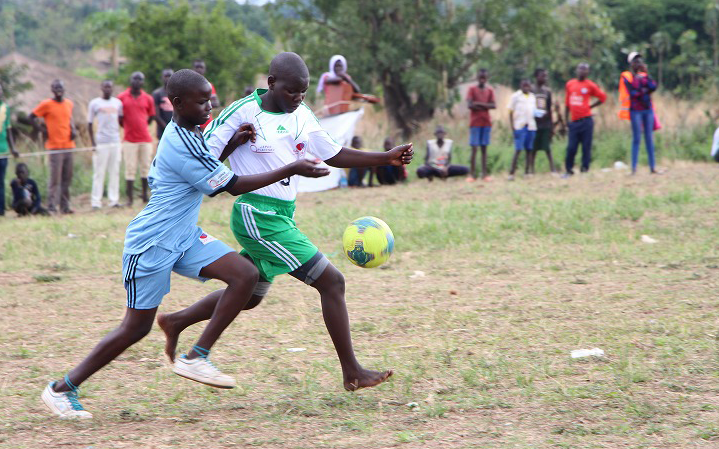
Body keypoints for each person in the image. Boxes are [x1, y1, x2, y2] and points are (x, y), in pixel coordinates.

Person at [41, 69, 330, 419]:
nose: (209, 105)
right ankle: (62, 389)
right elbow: (233, 185)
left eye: (210, 97)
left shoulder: (191, 132)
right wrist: (292, 168)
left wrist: (230, 145)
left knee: (244, 275)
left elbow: (205, 170)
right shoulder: (181, 142)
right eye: (201, 100)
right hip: (152, 243)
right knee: (135, 328)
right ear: (176, 103)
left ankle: (197, 356)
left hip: (184, 236)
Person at [188, 52, 413, 392]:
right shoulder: (243, 111)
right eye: (292, 92)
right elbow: (202, 160)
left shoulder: (303, 114)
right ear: (272, 83)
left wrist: (385, 157)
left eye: (304, 93)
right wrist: (233, 144)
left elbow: (333, 153)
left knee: (249, 294)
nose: (298, 98)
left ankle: (175, 322)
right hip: (256, 214)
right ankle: (352, 371)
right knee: (332, 282)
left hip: (282, 214)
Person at [29, 79, 76, 214]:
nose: (58, 90)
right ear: (52, 89)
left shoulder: (69, 103)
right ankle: (51, 206)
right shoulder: (46, 104)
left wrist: (73, 129)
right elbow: (31, 117)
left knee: (67, 178)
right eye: (55, 87)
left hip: (69, 146)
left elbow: (69, 118)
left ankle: (65, 206)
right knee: (55, 179)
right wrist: (41, 129)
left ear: (64, 88)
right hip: (54, 147)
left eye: (60, 87)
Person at [562, 63, 606, 178]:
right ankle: (568, 170)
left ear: (588, 72)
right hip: (574, 122)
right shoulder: (570, 84)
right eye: (580, 69)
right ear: (576, 70)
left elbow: (602, 97)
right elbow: (567, 104)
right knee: (571, 147)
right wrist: (566, 120)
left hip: (586, 121)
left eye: (585, 70)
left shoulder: (590, 85)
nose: (582, 71)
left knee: (586, 147)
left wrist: (590, 107)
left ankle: (584, 170)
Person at [118, 71, 156, 205]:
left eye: (140, 79)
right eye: (135, 78)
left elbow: (151, 117)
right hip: (129, 140)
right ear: (130, 80)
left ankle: (145, 196)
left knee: (146, 168)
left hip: (145, 139)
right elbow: (119, 118)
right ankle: (130, 199)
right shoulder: (122, 97)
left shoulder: (148, 98)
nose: (137, 81)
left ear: (143, 82)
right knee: (130, 168)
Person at [88, 80, 123, 209]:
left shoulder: (118, 103)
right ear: (101, 88)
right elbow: (90, 124)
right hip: (101, 143)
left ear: (112, 88)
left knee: (114, 172)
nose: (108, 89)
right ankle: (96, 201)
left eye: (110, 87)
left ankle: (113, 200)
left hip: (115, 141)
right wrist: (93, 143)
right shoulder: (94, 103)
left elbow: (120, 121)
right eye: (105, 87)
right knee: (99, 173)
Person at [621, 53, 658, 174]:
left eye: (640, 61)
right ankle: (634, 169)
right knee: (636, 138)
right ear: (631, 64)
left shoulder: (644, 76)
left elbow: (653, 86)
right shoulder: (626, 76)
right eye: (635, 61)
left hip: (647, 110)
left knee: (649, 138)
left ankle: (653, 167)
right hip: (635, 111)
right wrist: (644, 90)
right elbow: (632, 92)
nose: (638, 63)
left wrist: (646, 74)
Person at [466, 69, 496, 181]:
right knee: (474, 148)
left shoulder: (490, 90)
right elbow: (470, 105)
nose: (482, 78)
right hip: (475, 123)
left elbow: (494, 105)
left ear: (487, 78)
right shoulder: (472, 89)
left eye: (484, 77)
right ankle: (471, 174)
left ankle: (484, 174)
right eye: (480, 76)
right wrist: (485, 106)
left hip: (486, 122)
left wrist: (477, 104)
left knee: (484, 149)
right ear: (477, 77)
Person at [507, 79, 537, 180]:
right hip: (519, 126)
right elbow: (510, 111)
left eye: (528, 86)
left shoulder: (533, 97)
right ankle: (512, 173)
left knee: (529, 149)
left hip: (531, 126)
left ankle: (527, 172)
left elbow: (534, 111)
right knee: (518, 149)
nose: (526, 88)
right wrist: (512, 127)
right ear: (520, 86)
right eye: (524, 86)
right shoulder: (516, 96)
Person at [531, 68, 556, 174]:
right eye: (542, 76)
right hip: (534, 123)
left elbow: (549, 108)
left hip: (545, 123)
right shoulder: (531, 90)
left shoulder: (547, 91)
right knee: (533, 148)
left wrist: (551, 125)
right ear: (537, 76)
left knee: (547, 147)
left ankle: (552, 169)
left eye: (546, 76)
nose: (545, 78)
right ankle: (531, 169)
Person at [0, 84, 18, 216]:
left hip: (3, 151)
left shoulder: (5, 108)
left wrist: (13, 148)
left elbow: (9, 130)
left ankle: (1, 210)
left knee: (1, 181)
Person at [193, 59, 219, 130]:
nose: (199, 69)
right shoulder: (189, 86)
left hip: (207, 124)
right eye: (197, 67)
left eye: (201, 67)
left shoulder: (209, 86)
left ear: (204, 69)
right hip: (192, 124)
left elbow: (216, 103)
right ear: (193, 69)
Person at [152, 68, 174, 140]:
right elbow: (156, 115)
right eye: (166, 76)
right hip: (162, 130)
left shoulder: (177, 93)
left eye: (169, 76)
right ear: (162, 77)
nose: (167, 78)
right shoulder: (157, 94)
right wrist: (167, 128)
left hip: (176, 129)